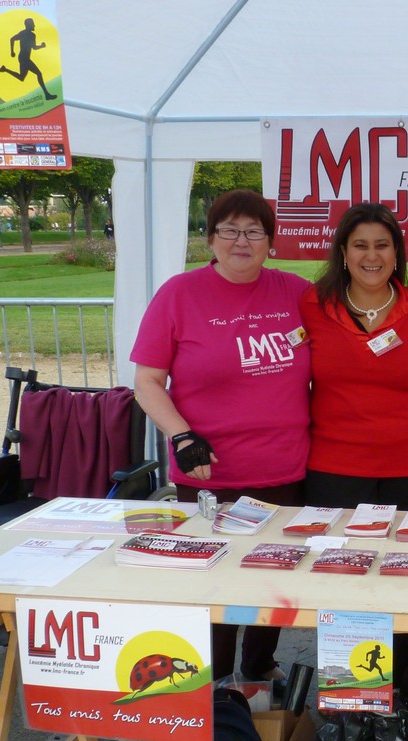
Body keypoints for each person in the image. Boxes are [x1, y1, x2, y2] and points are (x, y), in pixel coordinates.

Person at [130, 189, 311, 684]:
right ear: (210, 238)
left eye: (254, 232)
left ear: (270, 242)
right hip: (209, 473)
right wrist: (181, 436)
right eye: (229, 230)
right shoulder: (179, 294)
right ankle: (212, 682)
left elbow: (357, 311)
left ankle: (258, 667)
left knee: (274, 577)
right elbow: (147, 382)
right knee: (214, 582)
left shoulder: (296, 292)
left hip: (285, 469)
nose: (241, 241)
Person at [300, 203, 408, 684]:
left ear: (397, 253)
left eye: (382, 245)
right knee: (341, 581)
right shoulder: (312, 306)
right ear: (343, 252)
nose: (372, 256)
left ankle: (398, 694)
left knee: (406, 579)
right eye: (360, 245)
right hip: (336, 471)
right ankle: (349, 691)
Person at [0, 17, 57, 100]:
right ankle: (47, 95)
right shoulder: (28, 34)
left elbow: (32, 47)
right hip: (24, 58)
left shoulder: (27, 34)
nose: (34, 25)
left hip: (23, 57)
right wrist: (12, 51)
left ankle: (5, 69)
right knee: (39, 74)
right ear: (29, 25)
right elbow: (13, 39)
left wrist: (41, 46)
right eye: (33, 24)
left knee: (22, 77)